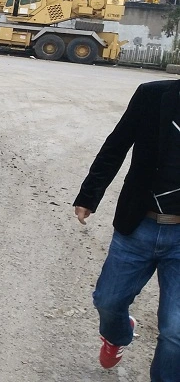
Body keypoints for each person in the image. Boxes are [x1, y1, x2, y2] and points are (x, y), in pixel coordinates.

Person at [74, 79, 180, 380]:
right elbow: (116, 145)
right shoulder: (153, 95)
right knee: (108, 301)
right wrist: (89, 196)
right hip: (139, 227)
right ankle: (119, 334)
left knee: (175, 331)